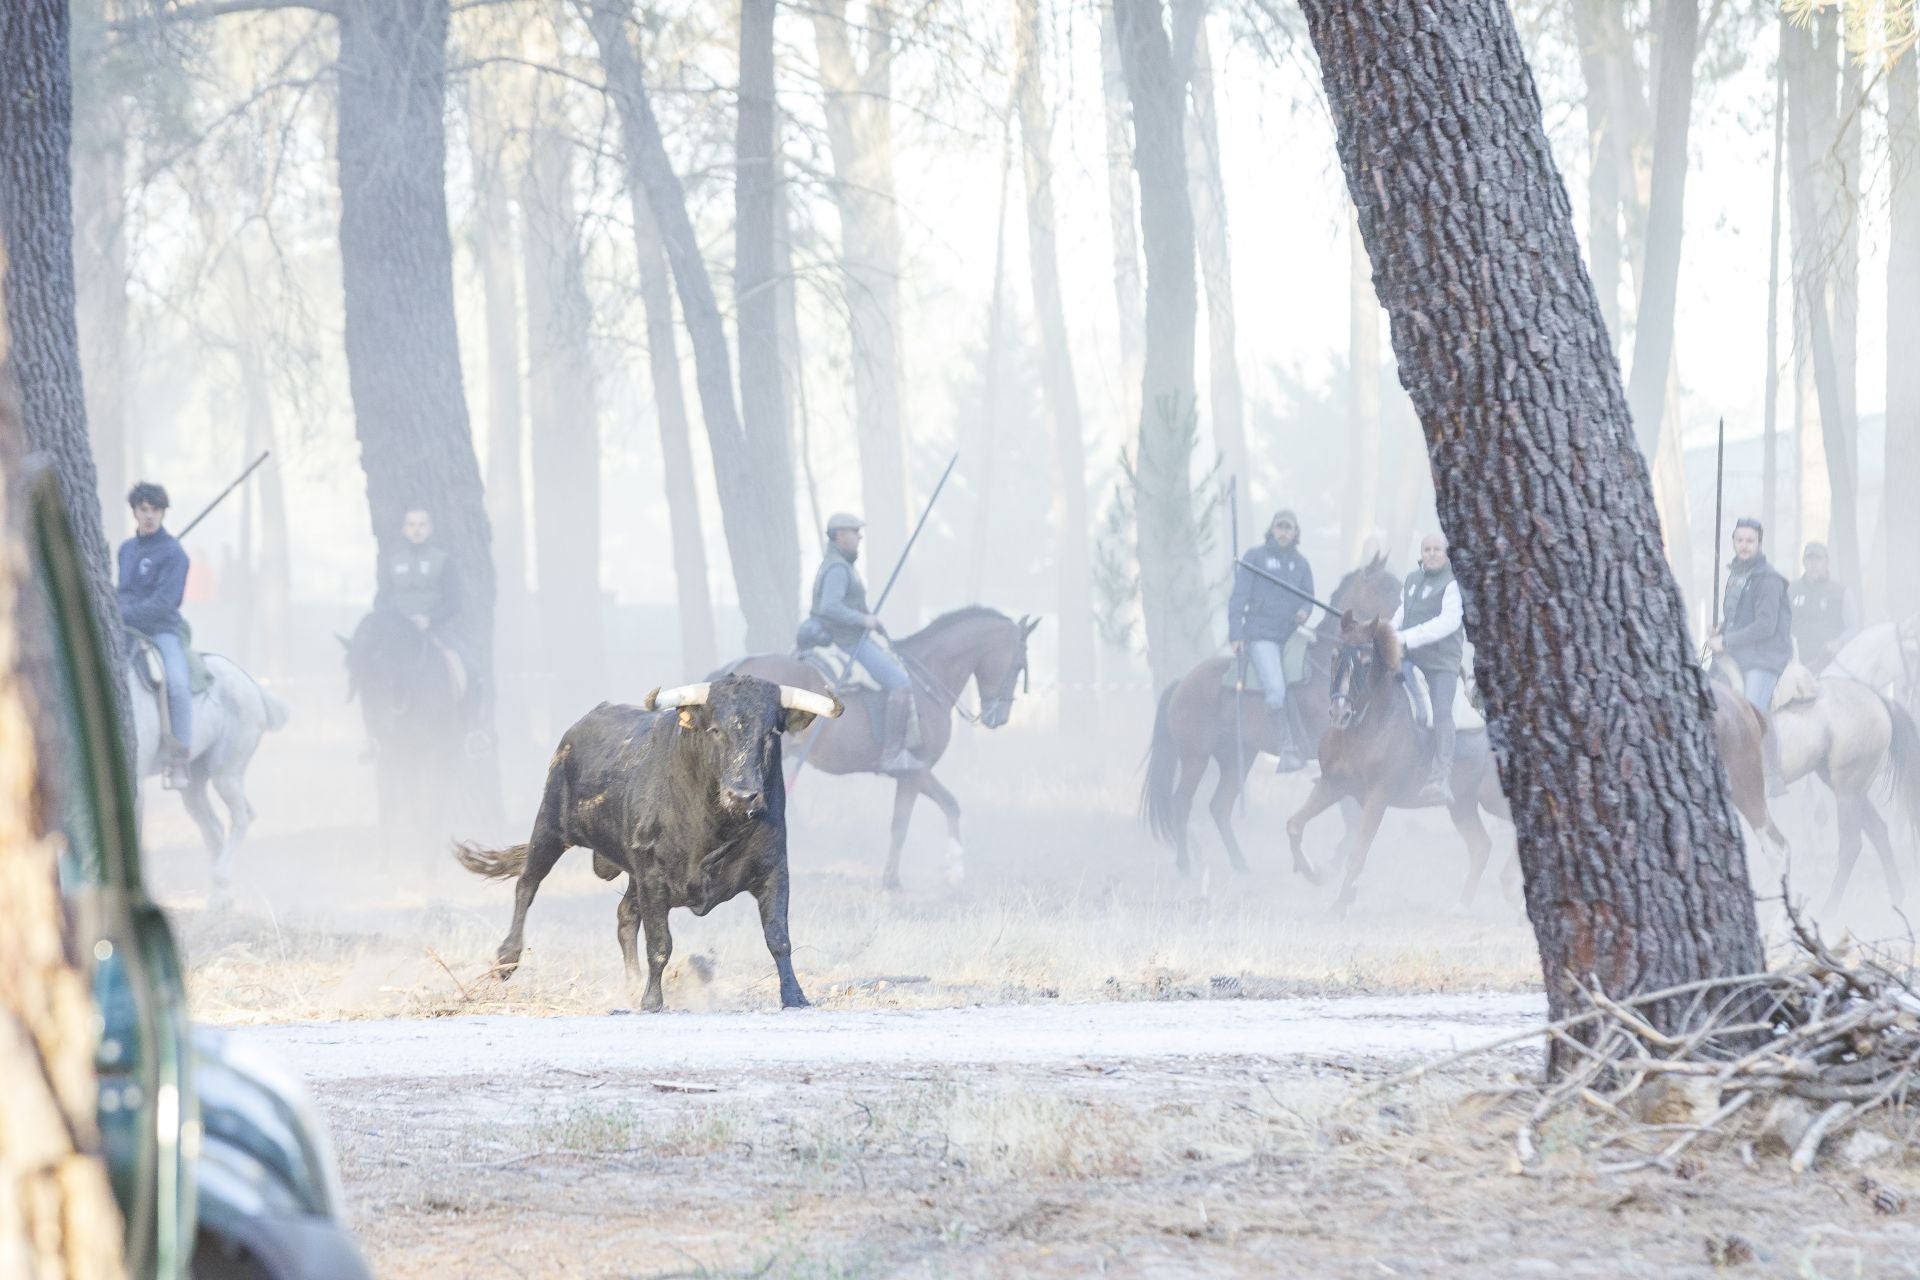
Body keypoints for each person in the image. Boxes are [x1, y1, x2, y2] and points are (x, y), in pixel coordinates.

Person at [809, 512, 918, 774]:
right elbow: (830, 606)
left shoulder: (840, 565)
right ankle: (892, 755)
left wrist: (872, 620)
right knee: (901, 684)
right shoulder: (838, 568)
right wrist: (864, 620)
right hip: (847, 642)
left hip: (848, 637)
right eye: (854, 531)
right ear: (838, 536)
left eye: (859, 531)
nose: (859, 536)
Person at [117, 482, 193, 789]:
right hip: (124, 629)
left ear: (163, 513)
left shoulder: (175, 553)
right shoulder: (126, 549)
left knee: (176, 682)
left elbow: (165, 602)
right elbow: (122, 592)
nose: (149, 516)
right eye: (143, 509)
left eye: (155, 510)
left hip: (162, 631)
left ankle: (179, 760)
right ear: (135, 512)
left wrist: (123, 613)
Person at [1227, 509, 1314, 772]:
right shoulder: (1255, 557)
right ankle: (1285, 750)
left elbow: (1309, 596)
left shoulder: (1301, 563)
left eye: (1289, 528)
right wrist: (1235, 633)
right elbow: (1238, 597)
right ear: (1272, 529)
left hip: (1290, 634)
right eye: (1280, 527)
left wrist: (1305, 611)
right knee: (1276, 689)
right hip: (1261, 635)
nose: (1284, 532)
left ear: (1296, 532)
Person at [1711, 517, 1793, 794]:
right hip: (1740, 652)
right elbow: (1738, 617)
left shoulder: (1768, 579)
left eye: (1750, 541)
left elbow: (1765, 625)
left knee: (1752, 710)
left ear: (1759, 544)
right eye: (1739, 540)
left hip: (1765, 656)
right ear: (1734, 542)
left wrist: (1728, 640)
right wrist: (1722, 629)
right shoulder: (1737, 575)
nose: (1744, 546)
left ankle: (1771, 773)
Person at [1394, 533, 1464, 806]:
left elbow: (1446, 623)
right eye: (1427, 549)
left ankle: (1441, 776)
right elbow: (1400, 615)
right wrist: (1386, 633)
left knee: (1442, 712)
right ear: (1421, 553)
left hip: (1441, 663)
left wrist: (1405, 637)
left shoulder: (1452, 584)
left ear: (1446, 553)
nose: (1432, 553)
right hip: (1410, 655)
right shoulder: (1412, 580)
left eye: (1437, 549)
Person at [1789, 541, 1855, 673]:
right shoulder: (1790, 590)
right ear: (1803, 562)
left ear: (1826, 562)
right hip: (1795, 663)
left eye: (1818, 559)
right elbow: (1782, 624)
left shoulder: (1841, 592)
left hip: (1831, 664)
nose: (1813, 564)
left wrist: (1838, 643)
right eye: (1809, 559)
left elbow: (1853, 628)